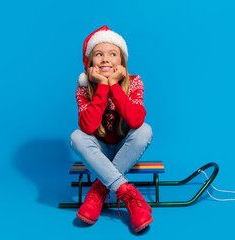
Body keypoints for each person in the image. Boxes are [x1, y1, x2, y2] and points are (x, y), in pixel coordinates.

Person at [70, 25, 153, 233]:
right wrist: (102, 87)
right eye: (99, 54)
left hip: (126, 147)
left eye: (112, 54)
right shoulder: (83, 88)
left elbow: (135, 121)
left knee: (145, 130)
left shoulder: (134, 83)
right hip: (100, 150)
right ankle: (126, 192)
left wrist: (115, 86)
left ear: (122, 62)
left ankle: (98, 190)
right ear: (90, 63)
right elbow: (88, 126)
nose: (105, 59)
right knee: (76, 136)